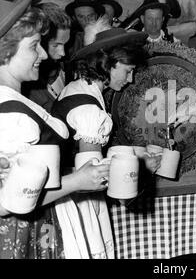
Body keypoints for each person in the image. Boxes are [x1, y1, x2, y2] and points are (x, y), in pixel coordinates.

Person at [0, 0, 109, 259]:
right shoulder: (11, 113)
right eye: (34, 45)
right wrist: (77, 181)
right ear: (6, 50)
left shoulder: (16, 103)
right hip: (27, 236)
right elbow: (8, 201)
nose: (44, 54)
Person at [51, 19, 158, 258]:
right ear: (108, 63)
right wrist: (140, 169)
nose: (130, 79)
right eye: (127, 71)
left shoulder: (79, 87)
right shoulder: (90, 112)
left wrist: (134, 152)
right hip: (77, 200)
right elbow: (93, 174)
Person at [23, 3, 71, 112]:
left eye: (65, 44)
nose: (63, 53)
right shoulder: (28, 89)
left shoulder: (62, 68)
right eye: (55, 45)